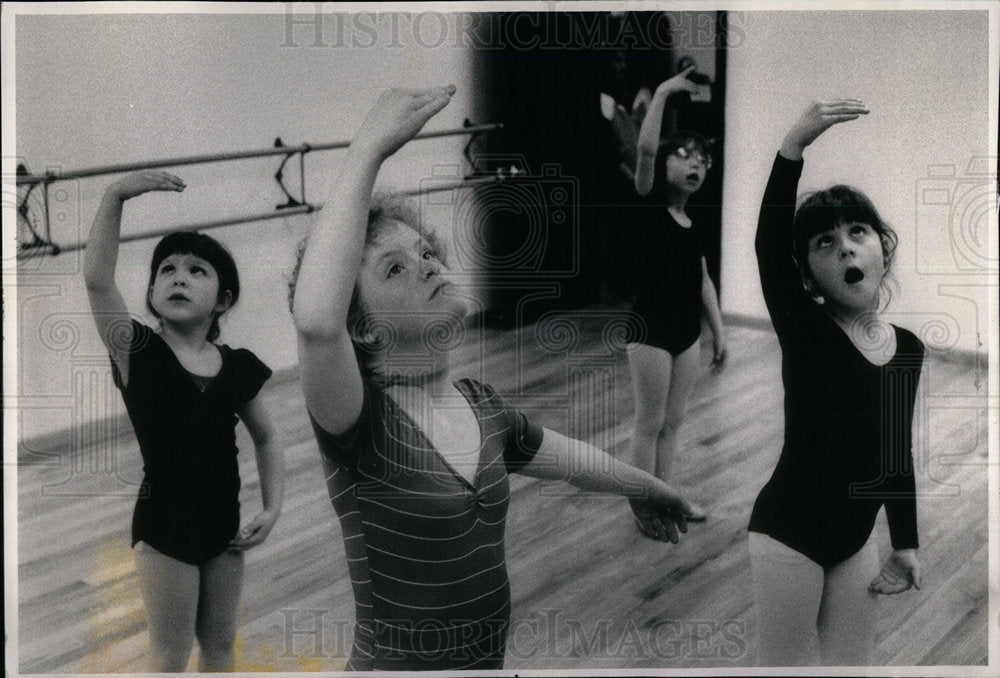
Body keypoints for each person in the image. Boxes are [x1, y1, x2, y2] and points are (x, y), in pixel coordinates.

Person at [289, 85, 695, 671]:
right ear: (367, 330)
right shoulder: (356, 421)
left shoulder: (482, 406)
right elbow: (318, 326)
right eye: (394, 268)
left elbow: (574, 460)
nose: (428, 262)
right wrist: (368, 151)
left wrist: (646, 485)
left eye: (426, 251)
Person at [83, 171, 285, 672]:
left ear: (222, 299)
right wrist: (116, 196)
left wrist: (273, 507)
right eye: (167, 269)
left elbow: (268, 435)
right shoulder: (137, 350)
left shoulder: (236, 365)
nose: (178, 276)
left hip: (225, 527)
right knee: (170, 655)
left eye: (197, 270)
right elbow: (96, 279)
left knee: (219, 646)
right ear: (151, 292)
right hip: (164, 531)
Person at [748, 100, 924, 665]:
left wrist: (906, 541)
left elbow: (895, 451)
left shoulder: (909, 350)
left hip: (856, 545)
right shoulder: (807, 330)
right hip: (786, 539)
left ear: (882, 248)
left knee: (853, 667)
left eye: (857, 232)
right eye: (824, 242)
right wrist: (791, 148)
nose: (845, 245)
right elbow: (768, 250)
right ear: (807, 275)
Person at [627, 67, 728, 520]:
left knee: (674, 424)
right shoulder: (648, 203)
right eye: (684, 156)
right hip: (649, 333)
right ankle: (643, 505)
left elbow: (702, 278)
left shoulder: (695, 221)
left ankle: (668, 498)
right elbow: (646, 148)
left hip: (686, 334)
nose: (695, 165)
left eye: (702, 161)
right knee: (649, 424)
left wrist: (719, 331)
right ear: (664, 164)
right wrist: (665, 90)